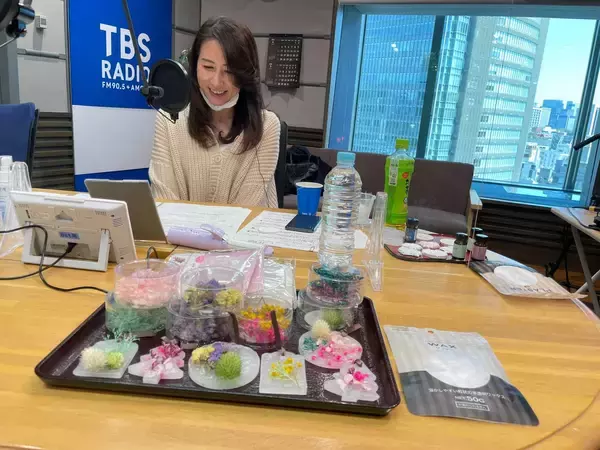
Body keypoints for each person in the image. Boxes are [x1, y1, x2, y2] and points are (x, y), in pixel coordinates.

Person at [149, 17, 280, 208]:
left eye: (229, 71)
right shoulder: (168, 121)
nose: (217, 82)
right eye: (208, 67)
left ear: (246, 74)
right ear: (194, 66)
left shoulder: (267, 126)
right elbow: (165, 207)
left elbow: (245, 213)